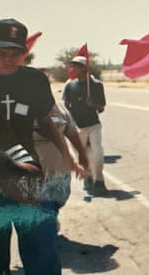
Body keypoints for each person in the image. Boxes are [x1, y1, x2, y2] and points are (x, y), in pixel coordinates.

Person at [0, 18, 84, 274]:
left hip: (27, 173)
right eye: (1, 53)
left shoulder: (34, 80)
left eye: (16, 54)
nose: (9, 60)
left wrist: (66, 157)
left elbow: (45, 120)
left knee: (41, 250)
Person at [33, 101, 89, 213]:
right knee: (42, 208)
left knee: (58, 202)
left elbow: (72, 133)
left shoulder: (59, 108)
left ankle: (52, 219)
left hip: (61, 172)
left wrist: (82, 156)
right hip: (36, 174)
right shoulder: (22, 109)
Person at [63, 55, 107, 196]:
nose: (73, 68)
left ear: (84, 68)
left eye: (76, 66)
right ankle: (87, 178)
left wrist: (92, 104)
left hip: (93, 124)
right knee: (82, 154)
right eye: (72, 66)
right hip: (77, 126)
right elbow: (66, 104)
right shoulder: (70, 85)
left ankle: (99, 180)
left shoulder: (96, 85)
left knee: (97, 152)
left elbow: (101, 107)